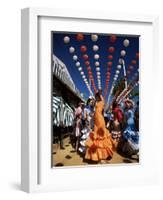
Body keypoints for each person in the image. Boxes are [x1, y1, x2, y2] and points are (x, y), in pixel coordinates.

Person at [85, 90, 115, 162]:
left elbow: (102, 99)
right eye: (96, 96)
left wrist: (99, 93)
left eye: (97, 96)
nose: (96, 97)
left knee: (101, 135)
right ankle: (96, 155)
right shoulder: (96, 103)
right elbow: (90, 105)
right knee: (96, 135)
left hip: (100, 120)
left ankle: (104, 155)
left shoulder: (102, 102)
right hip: (96, 120)